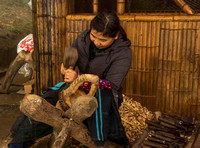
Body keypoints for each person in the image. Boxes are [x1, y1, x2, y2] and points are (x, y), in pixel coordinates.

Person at [8, 11, 131, 147]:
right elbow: (70, 57)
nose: (96, 42)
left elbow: (111, 85)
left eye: (103, 40)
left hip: (104, 95)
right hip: (76, 87)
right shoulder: (84, 39)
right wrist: (65, 67)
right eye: (93, 36)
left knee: (96, 108)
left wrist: (78, 78)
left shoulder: (123, 53)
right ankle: (17, 143)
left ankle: (100, 143)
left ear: (115, 36)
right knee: (45, 103)